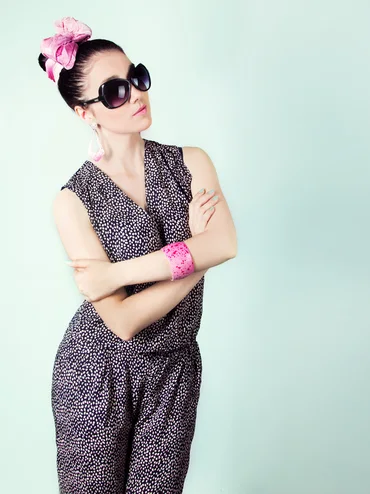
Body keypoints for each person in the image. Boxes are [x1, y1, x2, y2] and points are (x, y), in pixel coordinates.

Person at [39, 17, 237, 493]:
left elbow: (226, 243)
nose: (136, 94)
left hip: (175, 367)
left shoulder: (192, 162)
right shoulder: (72, 201)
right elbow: (123, 323)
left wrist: (116, 274)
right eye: (114, 91)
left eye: (137, 77)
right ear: (86, 113)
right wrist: (196, 253)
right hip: (96, 370)